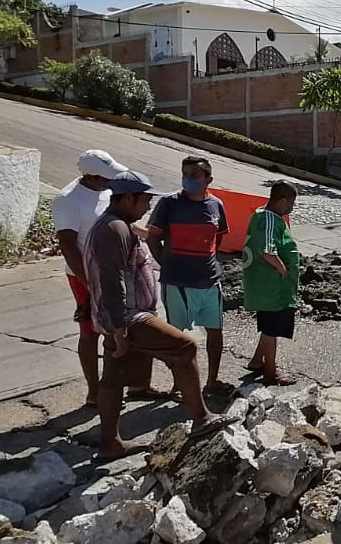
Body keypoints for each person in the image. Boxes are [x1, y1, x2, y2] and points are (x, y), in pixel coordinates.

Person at [84, 170, 238, 460]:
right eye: (145, 200)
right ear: (128, 198)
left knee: (114, 376)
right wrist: (119, 329)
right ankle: (202, 417)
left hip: (117, 316)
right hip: (130, 317)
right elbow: (110, 278)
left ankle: (111, 443)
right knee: (185, 346)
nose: (148, 207)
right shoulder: (114, 228)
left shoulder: (113, 226)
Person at [51, 150, 170, 407]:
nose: (109, 183)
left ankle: (139, 385)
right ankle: (96, 392)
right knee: (93, 331)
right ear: (92, 177)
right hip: (87, 274)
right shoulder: (67, 201)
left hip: (124, 269)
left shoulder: (109, 192)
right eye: (106, 179)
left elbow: (126, 222)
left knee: (137, 323)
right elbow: (69, 247)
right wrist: (91, 286)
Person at [146, 156, 229, 393]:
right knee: (176, 336)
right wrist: (167, 264)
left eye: (194, 175)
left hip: (210, 280)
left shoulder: (216, 205)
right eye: (185, 174)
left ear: (208, 179)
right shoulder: (169, 203)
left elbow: (218, 236)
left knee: (215, 331)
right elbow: (153, 238)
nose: (188, 179)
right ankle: (178, 385)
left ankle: (212, 381)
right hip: (177, 282)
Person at [242, 181, 300, 386]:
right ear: (283, 200)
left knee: (270, 326)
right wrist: (282, 268)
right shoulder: (267, 219)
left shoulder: (267, 217)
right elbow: (267, 250)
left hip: (272, 286)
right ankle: (270, 372)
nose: (292, 207)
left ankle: (258, 361)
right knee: (270, 329)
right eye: (292, 202)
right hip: (270, 285)